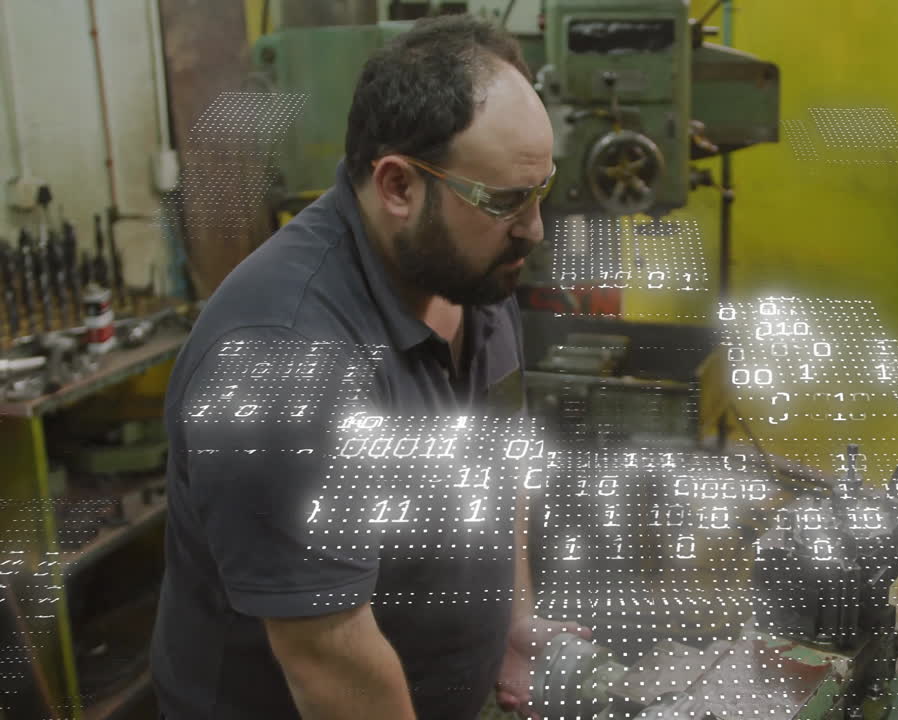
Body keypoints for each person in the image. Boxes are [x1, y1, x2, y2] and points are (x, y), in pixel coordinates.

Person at [150, 15, 586, 720]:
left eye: (541, 190)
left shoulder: (473, 275)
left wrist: (512, 622)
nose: (533, 229)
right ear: (398, 186)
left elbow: (498, 464)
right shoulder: (281, 363)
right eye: (506, 200)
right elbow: (331, 665)